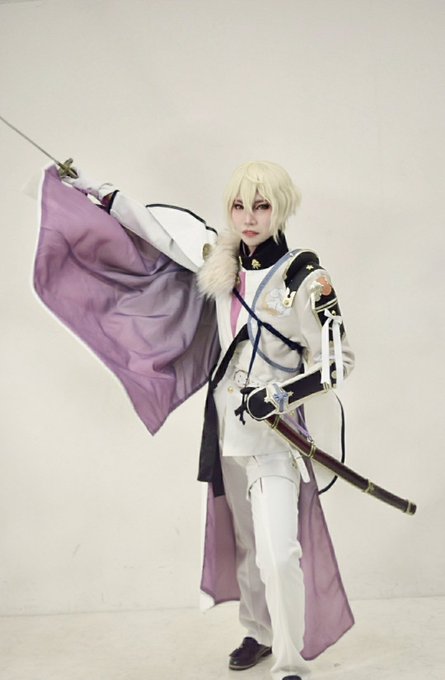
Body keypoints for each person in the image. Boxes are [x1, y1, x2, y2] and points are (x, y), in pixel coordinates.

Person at [34, 160, 355, 680]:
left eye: (261, 206)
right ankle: (259, 632)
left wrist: (279, 394)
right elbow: (158, 232)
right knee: (245, 541)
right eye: (239, 206)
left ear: (281, 209)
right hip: (227, 428)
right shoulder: (219, 260)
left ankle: (290, 661)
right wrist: (95, 192)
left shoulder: (305, 278)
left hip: (277, 436)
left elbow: (337, 362)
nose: (248, 217)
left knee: (278, 552)